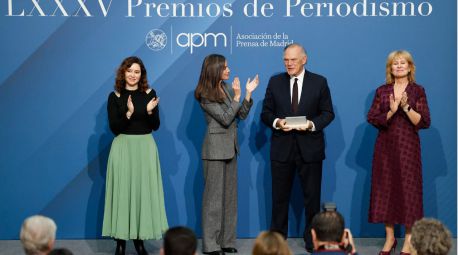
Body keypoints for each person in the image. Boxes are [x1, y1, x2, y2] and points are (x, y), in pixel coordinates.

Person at [261, 43, 334, 252]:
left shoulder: (319, 82)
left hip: (310, 149)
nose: (288, 63)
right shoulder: (275, 82)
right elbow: (266, 113)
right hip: (281, 150)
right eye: (285, 59)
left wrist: (311, 125)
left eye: (293, 59)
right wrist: (277, 122)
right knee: (279, 199)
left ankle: (312, 240)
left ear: (304, 59)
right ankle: (276, 242)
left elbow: (328, 113)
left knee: (312, 200)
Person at [102, 56, 168, 255]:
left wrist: (149, 112)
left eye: (137, 72)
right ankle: (120, 243)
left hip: (145, 148)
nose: (133, 75)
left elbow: (155, 126)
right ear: (123, 72)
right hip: (123, 148)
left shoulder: (150, 93)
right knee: (122, 193)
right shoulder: (114, 96)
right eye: (129, 71)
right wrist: (129, 113)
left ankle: (140, 241)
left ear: (142, 75)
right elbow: (115, 128)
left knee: (142, 194)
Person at [367, 50, 431, 255]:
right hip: (385, 149)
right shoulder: (382, 91)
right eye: (395, 63)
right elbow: (373, 118)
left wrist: (405, 107)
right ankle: (390, 238)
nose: (399, 66)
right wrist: (392, 110)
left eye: (403, 63)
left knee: (409, 192)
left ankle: (409, 241)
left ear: (410, 67)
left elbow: (423, 121)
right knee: (386, 191)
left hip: (408, 149)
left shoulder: (417, 90)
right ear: (390, 68)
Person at [195, 54, 259, 255]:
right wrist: (238, 98)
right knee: (213, 199)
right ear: (214, 69)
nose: (228, 70)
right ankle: (211, 244)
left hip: (231, 148)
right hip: (214, 150)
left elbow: (241, 115)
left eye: (228, 67)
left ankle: (227, 241)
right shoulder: (204, 94)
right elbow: (224, 118)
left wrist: (247, 95)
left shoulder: (229, 88)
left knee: (230, 198)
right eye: (224, 67)